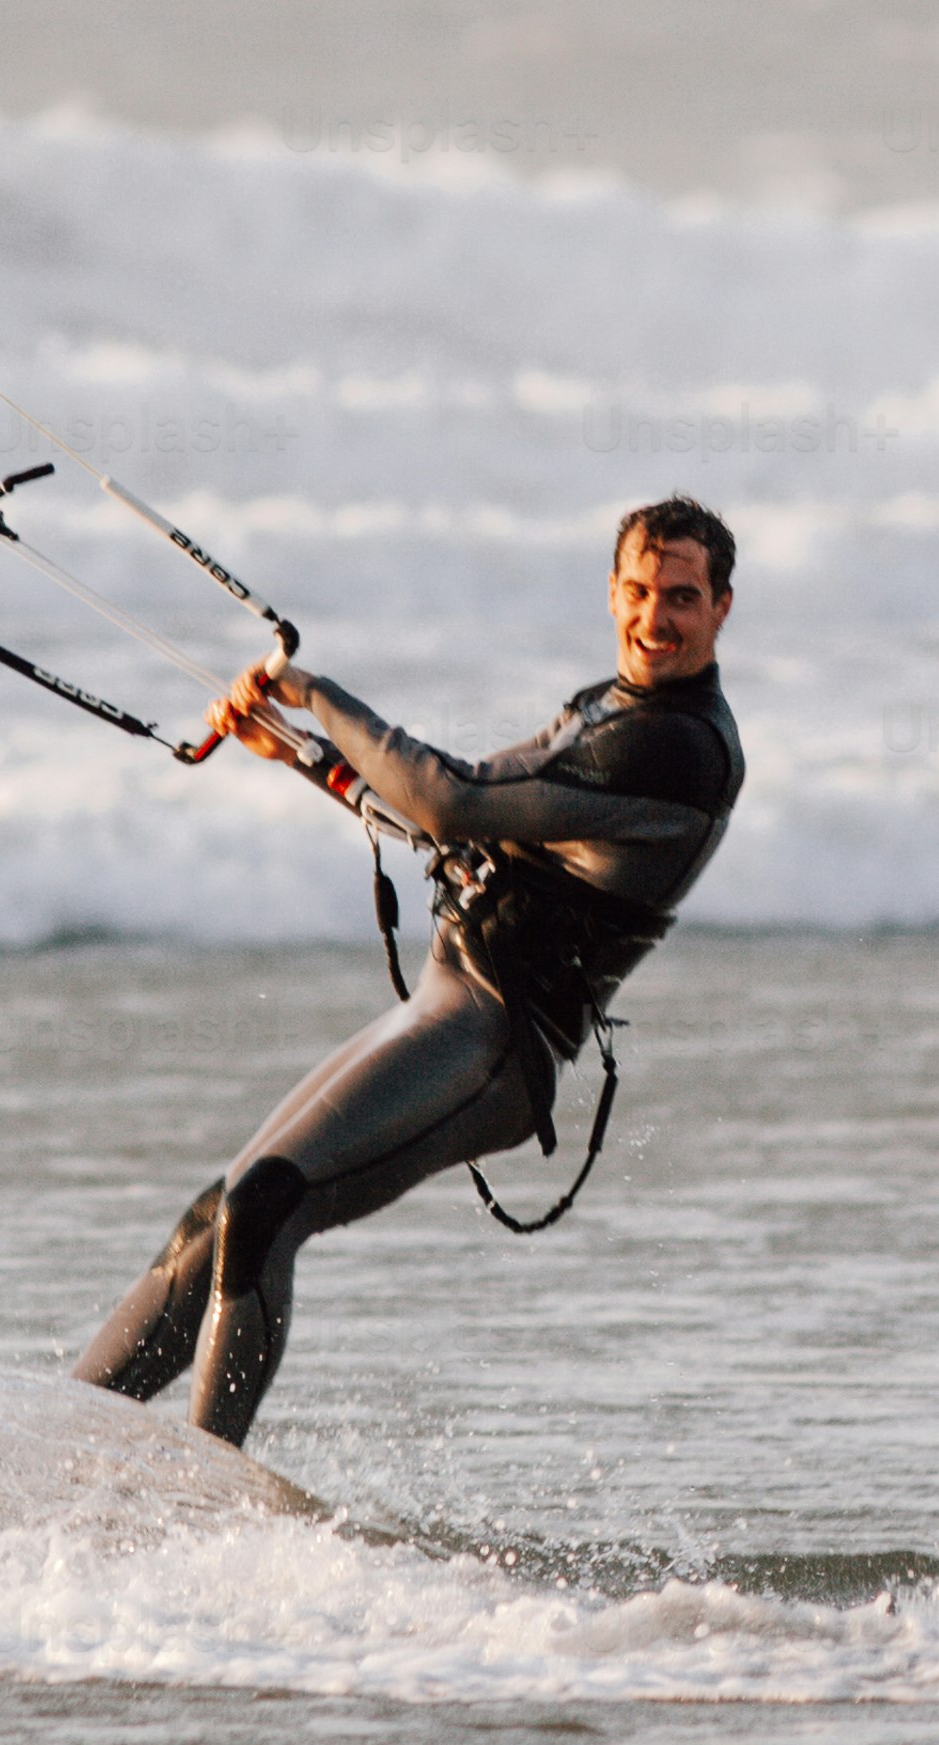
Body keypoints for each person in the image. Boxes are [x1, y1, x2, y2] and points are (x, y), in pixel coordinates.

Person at [76, 497, 747, 1447]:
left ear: (723, 607)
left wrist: (313, 692)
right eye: (638, 590)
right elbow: (456, 802)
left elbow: (450, 800)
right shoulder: (607, 705)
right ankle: (67, 1432)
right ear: (610, 592)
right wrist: (302, 756)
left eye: (682, 596)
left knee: (268, 1204)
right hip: (448, 999)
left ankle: (201, 1491)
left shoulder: (677, 747)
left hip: (494, 1042)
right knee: (223, 1212)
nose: (655, 618)